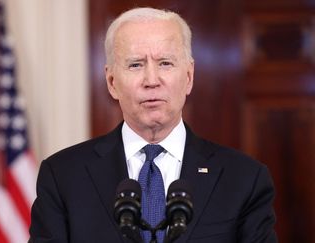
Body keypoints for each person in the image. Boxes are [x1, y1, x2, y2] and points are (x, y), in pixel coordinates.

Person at [29, 7, 277, 243]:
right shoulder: (63, 176)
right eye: (136, 64)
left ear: (189, 77)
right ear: (112, 81)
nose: (151, 80)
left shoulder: (244, 179)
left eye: (165, 63)